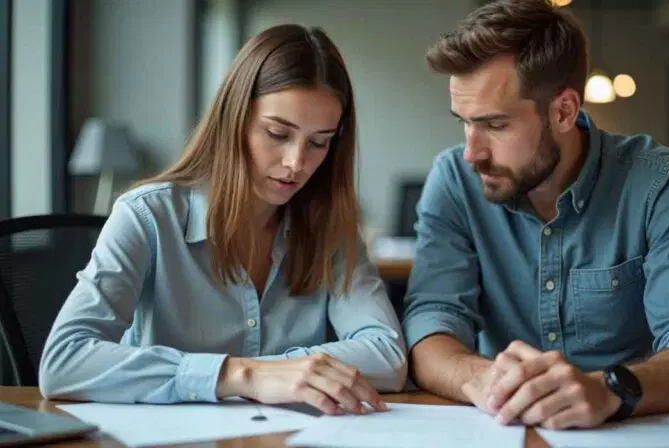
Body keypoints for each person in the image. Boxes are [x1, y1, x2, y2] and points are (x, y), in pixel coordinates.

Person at [403, 0, 669, 430]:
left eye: (495, 125)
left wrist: (610, 389)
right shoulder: (454, 180)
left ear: (563, 111)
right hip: (503, 423)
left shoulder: (658, 183)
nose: (472, 153)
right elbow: (431, 319)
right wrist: (485, 379)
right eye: (464, 122)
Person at [39, 24, 407, 414]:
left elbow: (387, 354)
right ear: (235, 120)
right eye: (277, 133)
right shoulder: (146, 217)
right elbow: (64, 361)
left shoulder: (330, 227)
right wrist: (242, 376)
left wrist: (282, 372)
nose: (296, 163)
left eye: (318, 143)